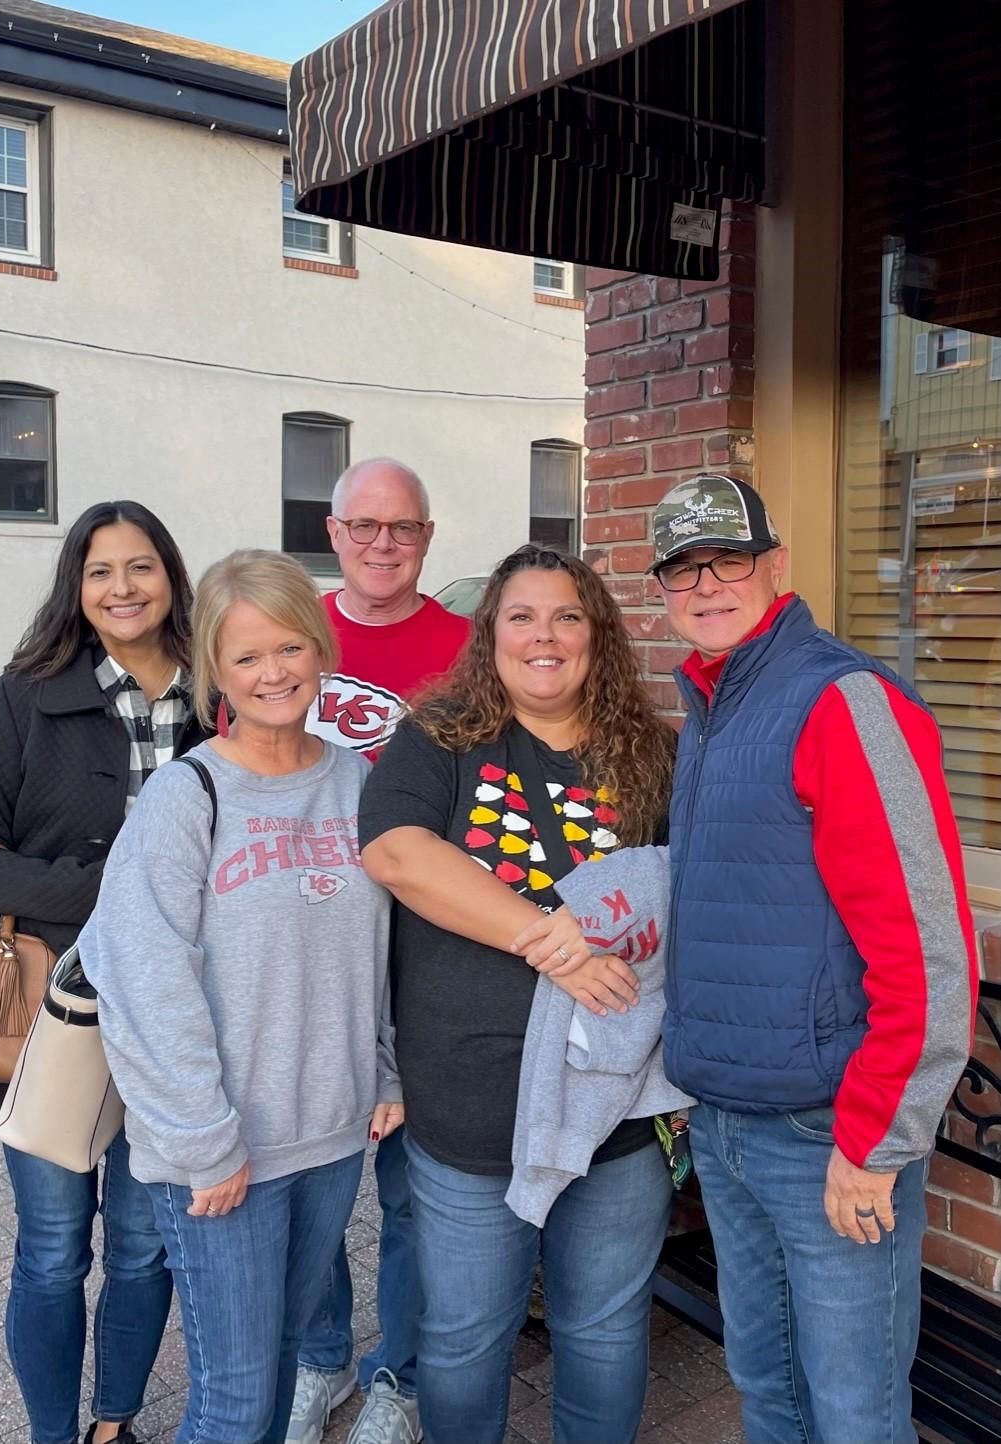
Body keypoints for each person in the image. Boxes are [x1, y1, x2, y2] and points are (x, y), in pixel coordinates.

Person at [649, 473, 979, 1444]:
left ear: (774, 564)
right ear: (661, 589)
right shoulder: (708, 710)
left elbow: (925, 950)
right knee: (768, 1389)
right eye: (682, 568)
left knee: (854, 1413)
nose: (707, 585)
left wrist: (874, 1144)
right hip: (727, 1126)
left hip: (828, 1136)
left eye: (728, 560)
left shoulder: (841, 700)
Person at [358, 543, 679, 1444]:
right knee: (462, 1339)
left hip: (616, 1105)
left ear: (596, 636)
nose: (545, 636)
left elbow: (692, 892)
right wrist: (555, 947)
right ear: (490, 635)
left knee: (606, 1329)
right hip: (471, 1105)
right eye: (522, 617)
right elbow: (395, 853)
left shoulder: (653, 755)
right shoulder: (439, 739)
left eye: (567, 617)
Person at [79, 549, 400, 1444]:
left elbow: (377, 948)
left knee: (289, 1356)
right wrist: (202, 1142)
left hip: (331, 1139)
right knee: (233, 1398)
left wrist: (382, 1069)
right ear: (216, 667)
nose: (273, 673)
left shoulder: (352, 780)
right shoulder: (187, 798)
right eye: (247, 656)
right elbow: (142, 976)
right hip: (222, 1152)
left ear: (319, 647)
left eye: (289, 647)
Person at [0, 500, 206, 1444]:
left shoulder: (217, 692)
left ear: (170, 575)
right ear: (77, 588)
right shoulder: (27, 691)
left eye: (140, 567)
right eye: (100, 572)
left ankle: (112, 1424)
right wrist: (110, 895)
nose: (122, 588)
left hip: (184, 1017)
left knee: (142, 1249)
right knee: (53, 1252)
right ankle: (54, 1433)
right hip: (55, 1009)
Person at [292, 459, 469, 1444]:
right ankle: (318, 1355)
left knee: (410, 1188)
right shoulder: (292, 628)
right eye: (363, 524)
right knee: (311, 1177)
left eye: (400, 527)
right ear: (332, 527)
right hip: (306, 952)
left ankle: (396, 1373)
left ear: (427, 536)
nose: (381, 543)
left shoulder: (465, 649)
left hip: (421, 958)